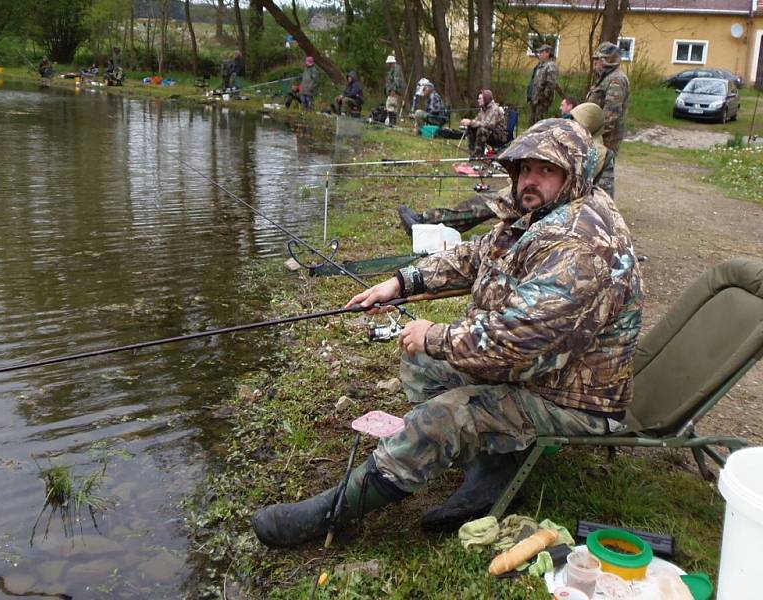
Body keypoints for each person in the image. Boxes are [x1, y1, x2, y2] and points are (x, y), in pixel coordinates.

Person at [251, 118, 644, 546]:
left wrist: (435, 335)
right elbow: (476, 255)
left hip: (569, 399)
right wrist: (401, 283)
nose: (530, 180)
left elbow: (516, 344)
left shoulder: (579, 245)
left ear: (573, 172)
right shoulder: (543, 214)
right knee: (421, 364)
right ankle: (493, 464)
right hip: (544, 372)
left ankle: (333, 512)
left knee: (442, 417)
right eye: (525, 168)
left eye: (546, 170)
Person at [397, 105, 614, 233]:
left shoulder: (598, 153)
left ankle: (425, 222)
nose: (568, 122)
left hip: (555, 210)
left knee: (484, 206)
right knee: (483, 203)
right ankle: (426, 222)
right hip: (538, 201)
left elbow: (602, 199)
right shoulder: (573, 142)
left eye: (574, 120)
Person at [585, 42, 630, 199]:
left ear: (606, 61)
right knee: (594, 174)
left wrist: (594, 135)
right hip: (597, 136)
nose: (595, 63)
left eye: (597, 60)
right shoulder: (605, 78)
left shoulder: (616, 80)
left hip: (605, 139)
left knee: (604, 176)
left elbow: (610, 115)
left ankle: (606, 210)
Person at [459, 89, 509, 157]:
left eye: (480, 98)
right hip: (490, 133)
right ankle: (472, 153)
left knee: (482, 129)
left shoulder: (494, 109)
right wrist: (468, 123)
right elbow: (476, 120)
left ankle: (479, 155)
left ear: (486, 99)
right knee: (471, 128)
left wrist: (470, 122)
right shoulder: (484, 109)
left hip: (499, 136)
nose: (478, 100)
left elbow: (488, 124)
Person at [527, 44, 559, 125]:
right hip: (534, 100)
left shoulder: (551, 66)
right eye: (539, 52)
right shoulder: (540, 65)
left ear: (547, 53)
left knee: (539, 125)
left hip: (541, 102)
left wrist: (542, 97)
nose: (539, 54)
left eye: (541, 52)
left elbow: (551, 85)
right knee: (532, 124)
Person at [384, 55, 405, 127]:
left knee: (390, 105)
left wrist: (393, 90)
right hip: (393, 91)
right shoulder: (393, 69)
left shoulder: (396, 69)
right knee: (393, 107)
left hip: (394, 92)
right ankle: (393, 123)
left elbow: (397, 81)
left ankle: (392, 123)